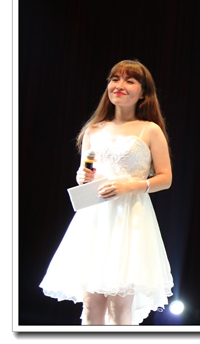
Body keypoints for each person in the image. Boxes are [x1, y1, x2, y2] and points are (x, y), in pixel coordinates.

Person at [40, 59, 173, 325]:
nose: (119, 85)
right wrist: (82, 176)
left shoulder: (150, 129)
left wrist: (130, 185)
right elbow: (86, 172)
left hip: (131, 218)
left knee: (120, 307)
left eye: (129, 81)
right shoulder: (94, 129)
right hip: (95, 218)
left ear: (143, 93)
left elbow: (165, 178)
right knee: (91, 304)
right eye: (114, 79)